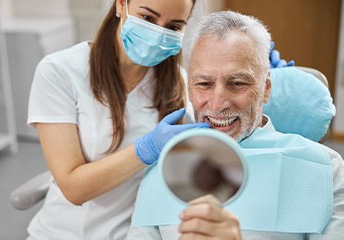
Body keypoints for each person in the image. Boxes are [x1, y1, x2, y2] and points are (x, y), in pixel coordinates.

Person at [26, 0, 292, 238]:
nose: (157, 33)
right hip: (67, 232)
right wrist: (147, 149)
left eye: (174, 26)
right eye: (148, 18)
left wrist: (260, 79)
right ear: (121, 5)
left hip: (141, 229)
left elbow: (220, 132)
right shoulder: (59, 72)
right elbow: (73, 188)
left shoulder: (179, 82)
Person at [127, 11, 344, 240]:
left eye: (237, 83)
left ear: (266, 88)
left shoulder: (325, 170)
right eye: (204, 83)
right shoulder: (161, 173)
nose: (218, 104)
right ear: (189, 88)